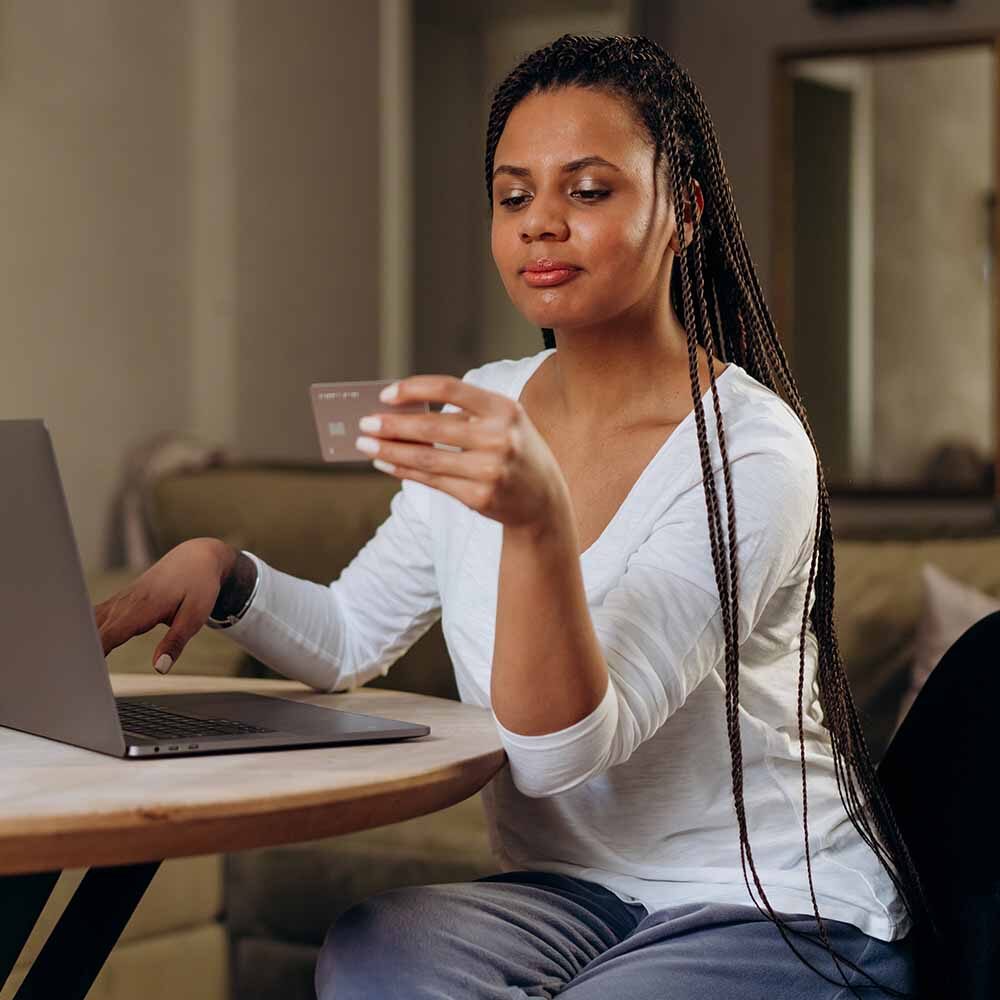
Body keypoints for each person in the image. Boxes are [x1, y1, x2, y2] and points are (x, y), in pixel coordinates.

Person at [94, 34, 931, 1000]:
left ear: (683, 211)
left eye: (588, 190)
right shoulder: (485, 406)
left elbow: (564, 751)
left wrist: (537, 525)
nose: (541, 225)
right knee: (372, 955)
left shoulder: (754, 450)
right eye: (513, 195)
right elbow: (351, 635)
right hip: (568, 894)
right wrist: (227, 574)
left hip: (776, 905)